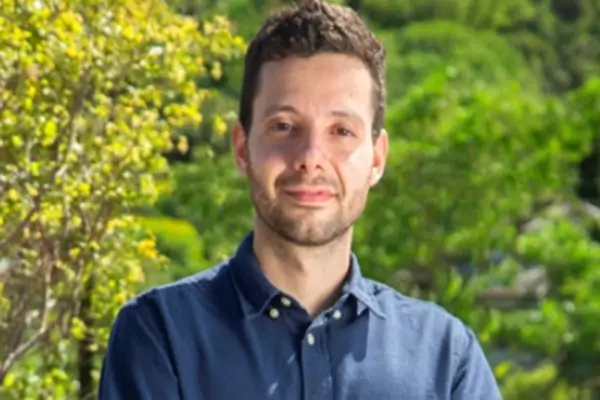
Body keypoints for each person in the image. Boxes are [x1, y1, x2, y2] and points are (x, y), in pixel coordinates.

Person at [98, 0, 502, 398]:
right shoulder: (161, 334)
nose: (311, 157)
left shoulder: (446, 359)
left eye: (341, 131)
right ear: (242, 148)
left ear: (377, 158)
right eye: (284, 126)